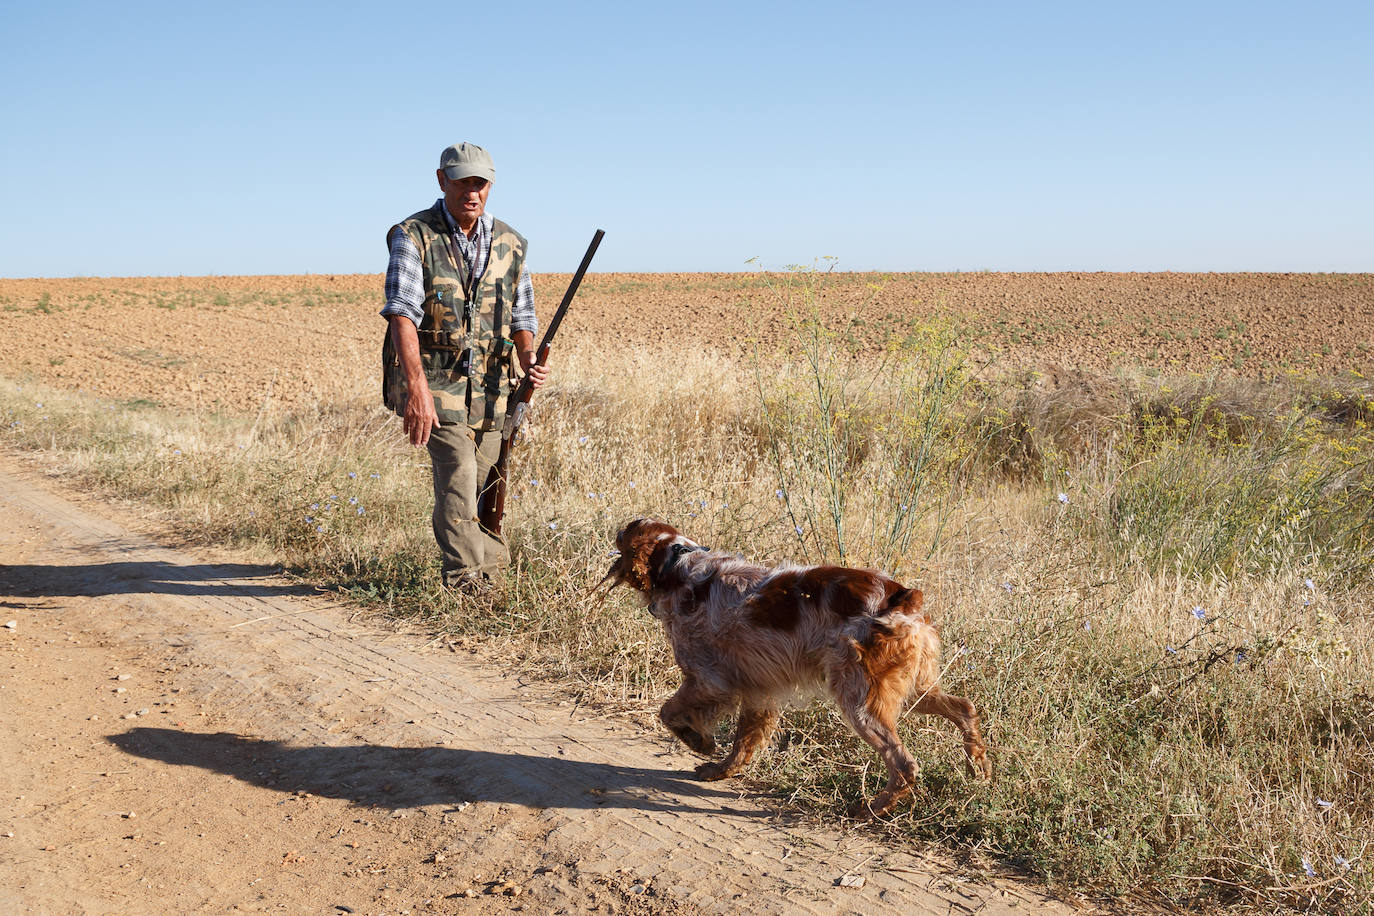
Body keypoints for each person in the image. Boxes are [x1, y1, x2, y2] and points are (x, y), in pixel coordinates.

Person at [381, 141, 548, 592]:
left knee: (489, 482)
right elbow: (402, 314)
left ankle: (493, 575)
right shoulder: (412, 234)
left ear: (489, 186)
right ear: (442, 181)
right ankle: (466, 580)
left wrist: (529, 358)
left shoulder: (511, 242)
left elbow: (523, 314)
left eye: (480, 183)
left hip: (493, 388)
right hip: (436, 383)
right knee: (459, 469)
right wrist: (416, 390)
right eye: (462, 182)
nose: (471, 192)